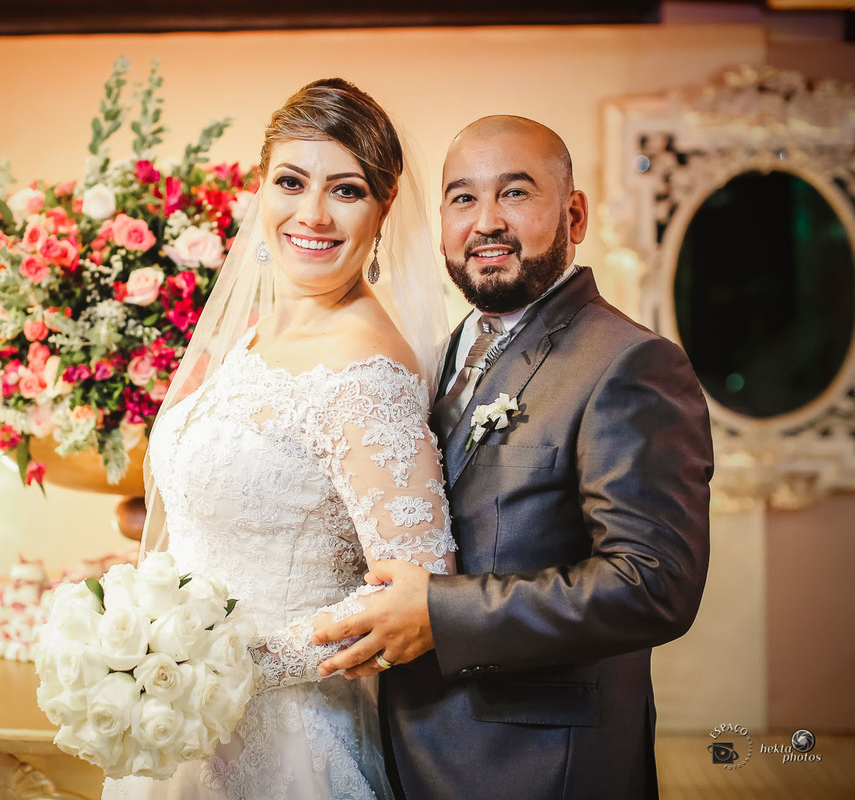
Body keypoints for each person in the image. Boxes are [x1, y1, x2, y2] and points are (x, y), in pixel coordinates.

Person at [312, 116, 714, 798]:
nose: (486, 222)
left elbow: (653, 585)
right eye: (463, 198)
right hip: (401, 747)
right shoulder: (439, 353)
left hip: (533, 766)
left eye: (515, 193)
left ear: (574, 215)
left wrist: (440, 613)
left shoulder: (630, 363)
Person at [102, 79, 453, 800]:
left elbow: (413, 603)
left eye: (347, 190)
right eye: (291, 182)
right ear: (260, 187)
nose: (313, 214)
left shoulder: (366, 372)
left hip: (289, 748)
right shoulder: (254, 335)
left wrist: (220, 665)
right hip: (177, 721)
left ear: (385, 207)